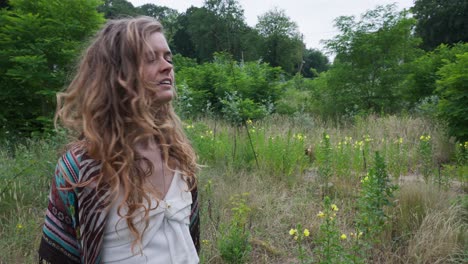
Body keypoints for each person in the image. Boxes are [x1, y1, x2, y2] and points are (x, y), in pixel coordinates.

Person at [38, 16, 199, 264]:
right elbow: (59, 256)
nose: (167, 66)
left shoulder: (178, 154)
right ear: (118, 73)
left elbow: (189, 241)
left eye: (168, 57)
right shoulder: (83, 166)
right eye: (150, 58)